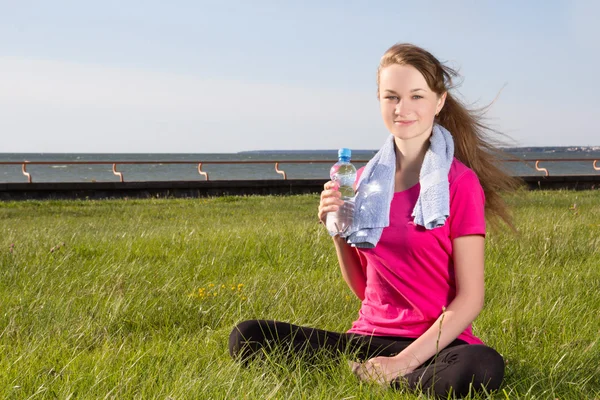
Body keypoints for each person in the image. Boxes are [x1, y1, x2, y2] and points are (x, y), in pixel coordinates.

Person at [229, 43, 518, 398]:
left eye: (416, 96)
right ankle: (371, 372)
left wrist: (403, 361)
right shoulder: (363, 181)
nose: (402, 109)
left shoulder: (459, 183)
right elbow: (366, 290)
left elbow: (470, 299)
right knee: (248, 335)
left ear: (439, 101)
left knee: (482, 366)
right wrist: (337, 231)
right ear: (379, 100)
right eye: (391, 97)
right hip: (370, 338)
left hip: (437, 345)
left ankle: (385, 377)